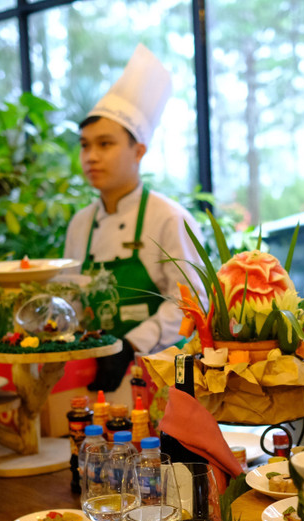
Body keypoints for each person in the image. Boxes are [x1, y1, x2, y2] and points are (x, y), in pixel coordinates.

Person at [64, 44, 202, 394]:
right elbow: (72, 302)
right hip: (94, 380)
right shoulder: (80, 224)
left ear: (138, 151)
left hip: (159, 376)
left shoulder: (168, 218)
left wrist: (132, 345)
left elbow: (191, 302)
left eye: (105, 144)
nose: (91, 157)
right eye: (85, 145)